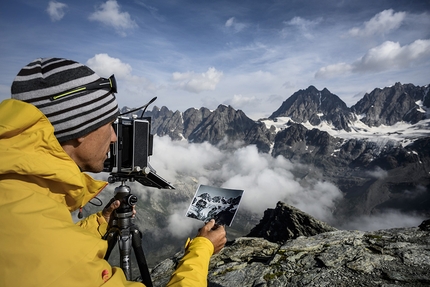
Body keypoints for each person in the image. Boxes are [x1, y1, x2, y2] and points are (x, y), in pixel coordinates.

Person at [0, 57, 227, 287]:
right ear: (80, 127)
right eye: (109, 124)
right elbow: (60, 256)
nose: (115, 137)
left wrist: (100, 223)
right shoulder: (58, 258)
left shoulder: (15, 189)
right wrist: (202, 248)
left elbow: (49, 240)